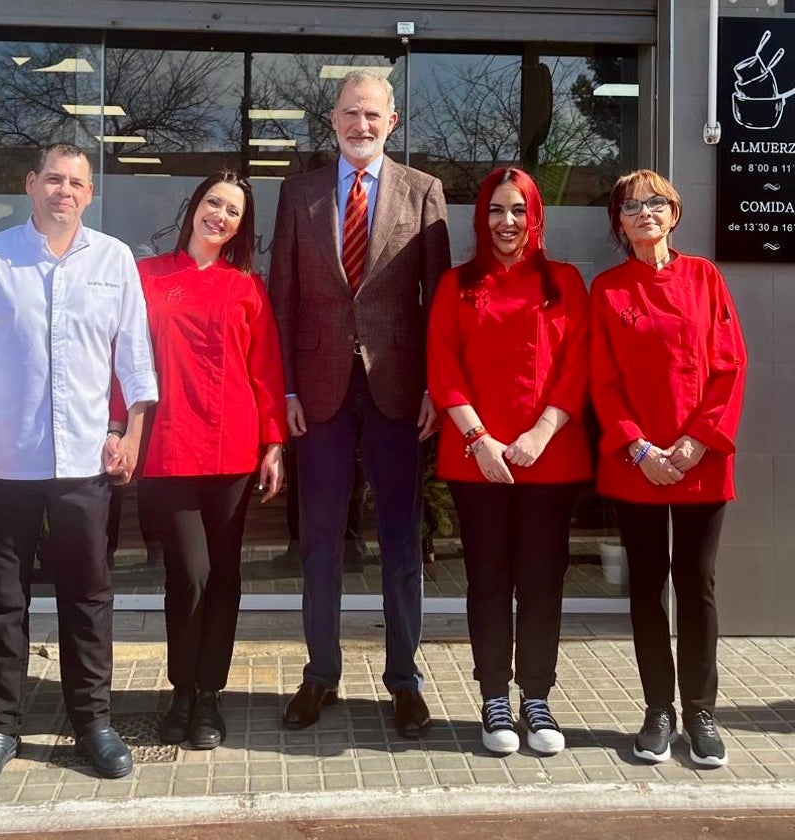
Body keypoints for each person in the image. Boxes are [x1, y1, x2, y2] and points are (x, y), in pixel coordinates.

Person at [0, 143, 157, 786]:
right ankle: (0, 727)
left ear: (90, 193)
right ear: (31, 186)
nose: (64, 190)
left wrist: (131, 430)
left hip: (86, 462)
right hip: (3, 463)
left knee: (89, 599)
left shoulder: (113, 260)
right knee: (3, 603)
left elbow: (135, 355)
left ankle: (93, 722)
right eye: (52, 179)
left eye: (76, 182)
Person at [269, 68, 451, 736]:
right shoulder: (300, 194)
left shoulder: (424, 192)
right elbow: (281, 299)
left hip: (398, 390)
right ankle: (321, 675)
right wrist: (284, 387)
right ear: (333, 119)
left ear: (392, 122)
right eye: (350, 113)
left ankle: (404, 680)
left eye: (373, 114)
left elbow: (441, 303)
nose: (361, 124)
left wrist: (437, 385)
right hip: (317, 394)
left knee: (401, 540)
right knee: (319, 541)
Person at [427, 168, 591, 756]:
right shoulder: (457, 285)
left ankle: (538, 696)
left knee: (542, 583)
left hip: (551, 457)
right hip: (480, 460)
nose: (507, 222)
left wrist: (542, 430)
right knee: (489, 582)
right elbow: (442, 364)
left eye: (518, 210)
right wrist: (480, 439)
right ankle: (495, 693)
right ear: (481, 218)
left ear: (535, 216)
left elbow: (577, 365)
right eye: (496, 211)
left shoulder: (565, 282)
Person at [589, 170, 747, 768]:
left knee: (696, 584)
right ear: (619, 223)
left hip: (700, 462)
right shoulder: (608, 290)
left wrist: (698, 442)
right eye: (632, 206)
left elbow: (731, 365)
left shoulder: (706, 278)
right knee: (649, 588)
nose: (645, 212)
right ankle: (659, 708)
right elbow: (601, 381)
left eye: (656, 203)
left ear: (674, 214)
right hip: (639, 466)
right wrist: (638, 448)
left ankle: (701, 710)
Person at [128, 171, 286, 750]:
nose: (220, 215)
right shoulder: (146, 278)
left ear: (242, 227)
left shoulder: (246, 287)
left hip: (233, 449)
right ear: (193, 207)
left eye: (234, 211)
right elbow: (127, 357)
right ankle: (180, 687)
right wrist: (121, 427)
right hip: (168, 446)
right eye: (213, 203)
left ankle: (209, 695)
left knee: (224, 575)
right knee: (187, 573)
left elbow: (266, 369)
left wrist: (273, 444)